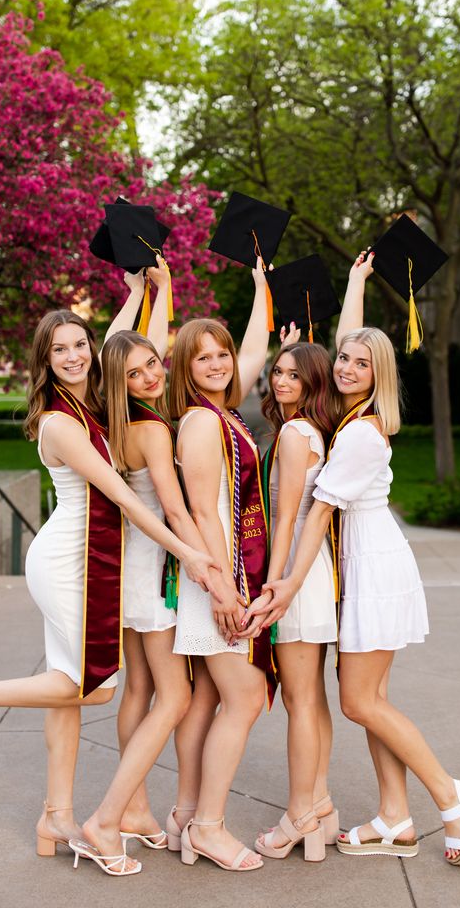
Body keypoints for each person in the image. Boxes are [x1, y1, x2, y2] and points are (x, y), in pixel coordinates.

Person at [0, 307, 218, 877]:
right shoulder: (61, 422)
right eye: (59, 349)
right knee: (94, 687)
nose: (74, 356)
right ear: (45, 360)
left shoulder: (93, 399)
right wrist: (189, 554)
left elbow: (122, 348)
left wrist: (139, 295)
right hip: (66, 559)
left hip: (90, 556)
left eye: (79, 345)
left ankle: (55, 816)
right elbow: (125, 498)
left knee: (67, 690)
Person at [254, 310, 460, 867]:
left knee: (358, 701)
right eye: (343, 359)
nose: (349, 368)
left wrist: (284, 585)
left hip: (373, 566)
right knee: (372, 701)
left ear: (380, 373)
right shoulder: (352, 418)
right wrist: (353, 288)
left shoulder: (359, 431)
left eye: (363, 362)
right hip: (360, 563)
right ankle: (394, 818)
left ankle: (453, 797)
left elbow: (314, 517)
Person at [87, 324, 219, 852]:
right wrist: (205, 565)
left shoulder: (112, 425)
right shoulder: (155, 430)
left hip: (126, 571)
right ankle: (110, 814)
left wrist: (148, 287)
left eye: (151, 364)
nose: (148, 377)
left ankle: (137, 811)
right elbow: (173, 508)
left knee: (140, 690)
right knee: (176, 696)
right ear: (118, 382)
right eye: (134, 372)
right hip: (152, 575)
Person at [167, 264, 274, 872]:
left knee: (207, 699)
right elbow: (205, 513)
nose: (218, 364)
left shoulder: (223, 410)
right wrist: (226, 589)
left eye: (222, 354)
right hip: (215, 581)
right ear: (185, 367)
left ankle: (186, 815)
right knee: (247, 695)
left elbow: (253, 351)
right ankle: (208, 826)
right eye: (203, 357)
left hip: (218, 578)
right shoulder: (203, 421)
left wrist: (261, 289)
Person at [247, 340, 340, 863]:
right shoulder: (312, 430)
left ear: (311, 385)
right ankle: (320, 808)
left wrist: (272, 583)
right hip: (313, 565)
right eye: (278, 372)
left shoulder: (293, 432)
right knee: (312, 698)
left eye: (294, 376)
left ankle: (299, 814)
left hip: (295, 570)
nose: (281, 382)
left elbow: (283, 519)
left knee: (299, 700)